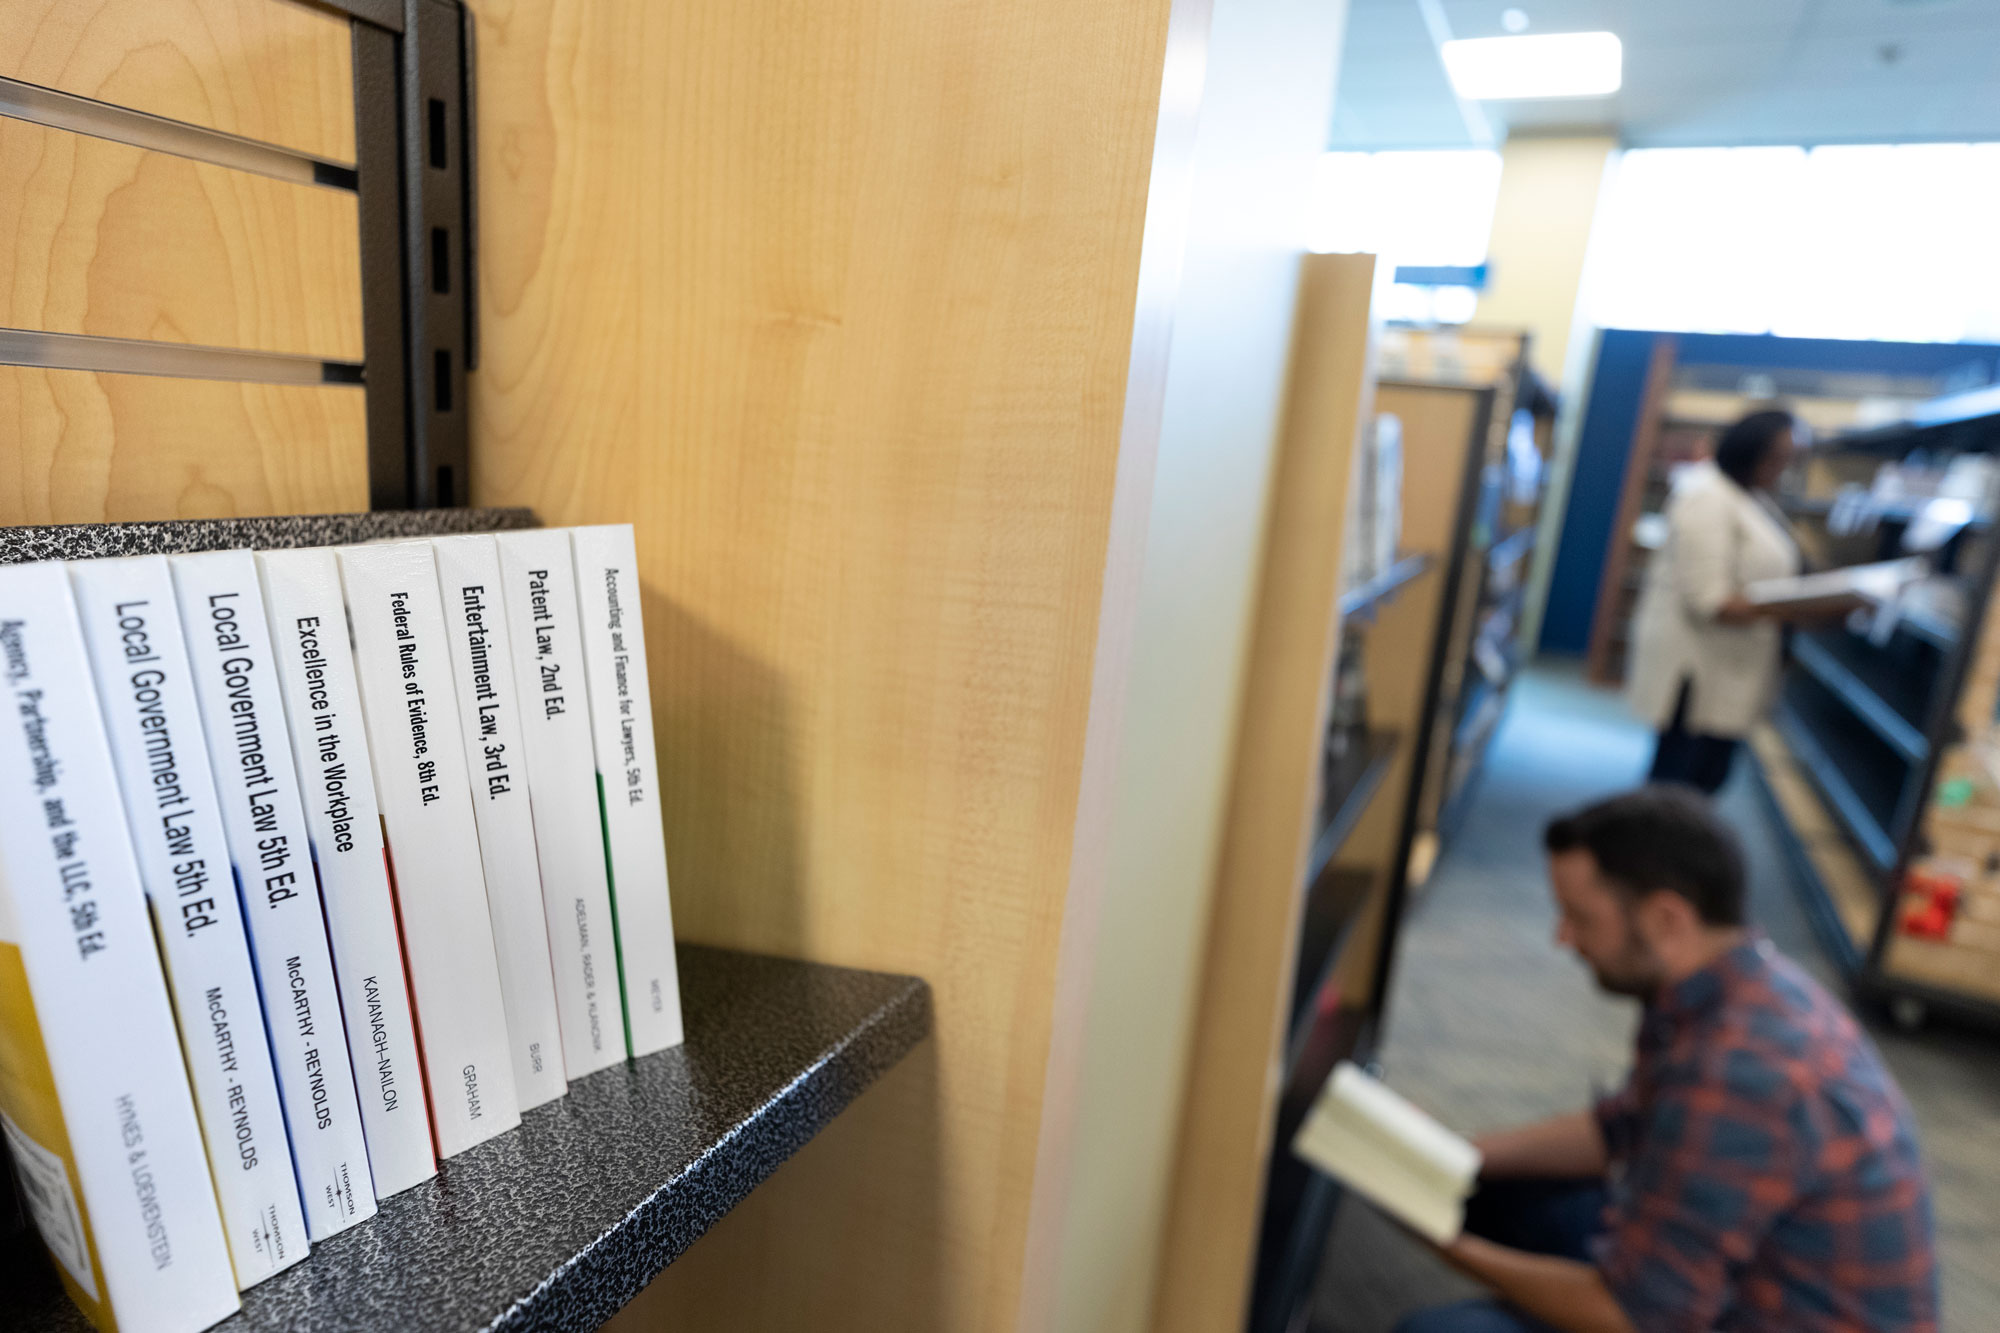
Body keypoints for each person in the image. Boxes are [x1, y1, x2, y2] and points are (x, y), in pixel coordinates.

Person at [1397, 787, 1937, 1333]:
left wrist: (1444, 1243)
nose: (1563, 939)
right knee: (1498, 1191)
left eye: (1580, 918)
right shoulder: (1739, 986)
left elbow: (1635, 1317)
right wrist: (1450, 1154)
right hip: (1748, 1288)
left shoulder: (1737, 1071)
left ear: (1667, 919)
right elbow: (1621, 1127)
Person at [1626, 409, 1805, 794]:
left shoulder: (1752, 498)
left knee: (1707, 778)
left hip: (1733, 666)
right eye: (1776, 457)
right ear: (1749, 448)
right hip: (1698, 668)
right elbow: (1710, 600)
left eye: (1789, 459)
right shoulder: (1707, 496)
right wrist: (1798, 607)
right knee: (1678, 783)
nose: (1781, 468)